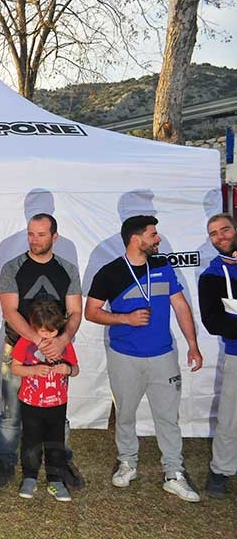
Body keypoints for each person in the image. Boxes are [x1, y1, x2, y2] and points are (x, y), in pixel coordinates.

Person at [85, 215, 203, 502]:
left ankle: (173, 473)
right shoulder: (110, 273)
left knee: (168, 417)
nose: (158, 239)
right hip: (124, 357)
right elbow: (91, 312)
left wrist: (193, 344)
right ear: (136, 239)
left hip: (163, 356)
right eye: (153, 235)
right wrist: (125, 318)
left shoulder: (162, 265)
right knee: (125, 414)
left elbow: (180, 306)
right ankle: (128, 462)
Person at [0, 213, 85, 491]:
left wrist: (63, 339)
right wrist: (35, 341)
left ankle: (62, 464)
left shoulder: (67, 269)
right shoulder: (13, 267)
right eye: (31, 234)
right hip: (19, 347)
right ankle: (6, 464)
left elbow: (75, 311)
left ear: (55, 237)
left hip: (57, 350)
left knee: (57, 410)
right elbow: (10, 310)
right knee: (12, 411)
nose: (34, 240)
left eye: (41, 235)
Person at [11, 300, 79, 502]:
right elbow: (15, 368)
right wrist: (32, 370)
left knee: (56, 443)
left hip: (57, 404)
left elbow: (76, 369)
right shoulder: (25, 342)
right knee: (30, 441)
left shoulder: (64, 344)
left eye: (53, 332)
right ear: (33, 327)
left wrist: (67, 369)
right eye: (43, 332)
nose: (48, 337)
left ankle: (55, 481)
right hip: (31, 403)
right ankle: (29, 478)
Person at [197, 212, 237, 499]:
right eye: (214, 233)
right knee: (230, 417)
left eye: (225, 230)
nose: (220, 236)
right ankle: (221, 469)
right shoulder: (211, 276)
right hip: (236, 353)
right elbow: (213, 322)